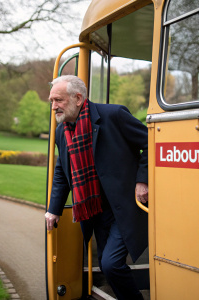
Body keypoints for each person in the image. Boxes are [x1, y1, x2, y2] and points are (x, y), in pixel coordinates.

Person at [45, 75, 148, 300]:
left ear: (78, 98)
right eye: (52, 101)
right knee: (105, 264)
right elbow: (63, 173)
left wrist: (143, 180)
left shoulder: (114, 115)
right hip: (95, 212)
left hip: (124, 207)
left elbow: (151, 143)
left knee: (111, 264)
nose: (54, 107)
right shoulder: (62, 132)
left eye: (58, 100)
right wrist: (53, 209)